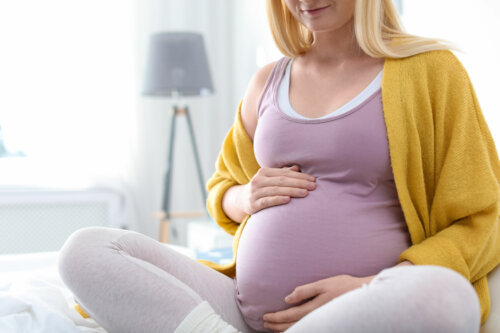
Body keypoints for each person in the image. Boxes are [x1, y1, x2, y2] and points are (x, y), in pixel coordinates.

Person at [58, 0, 500, 332]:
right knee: (85, 250)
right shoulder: (268, 81)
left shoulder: (431, 73)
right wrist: (243, 196)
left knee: (447, 297)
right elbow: (222, 186)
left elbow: (483, 217)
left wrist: (370, 286)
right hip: (240, 308)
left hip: (361, 307)